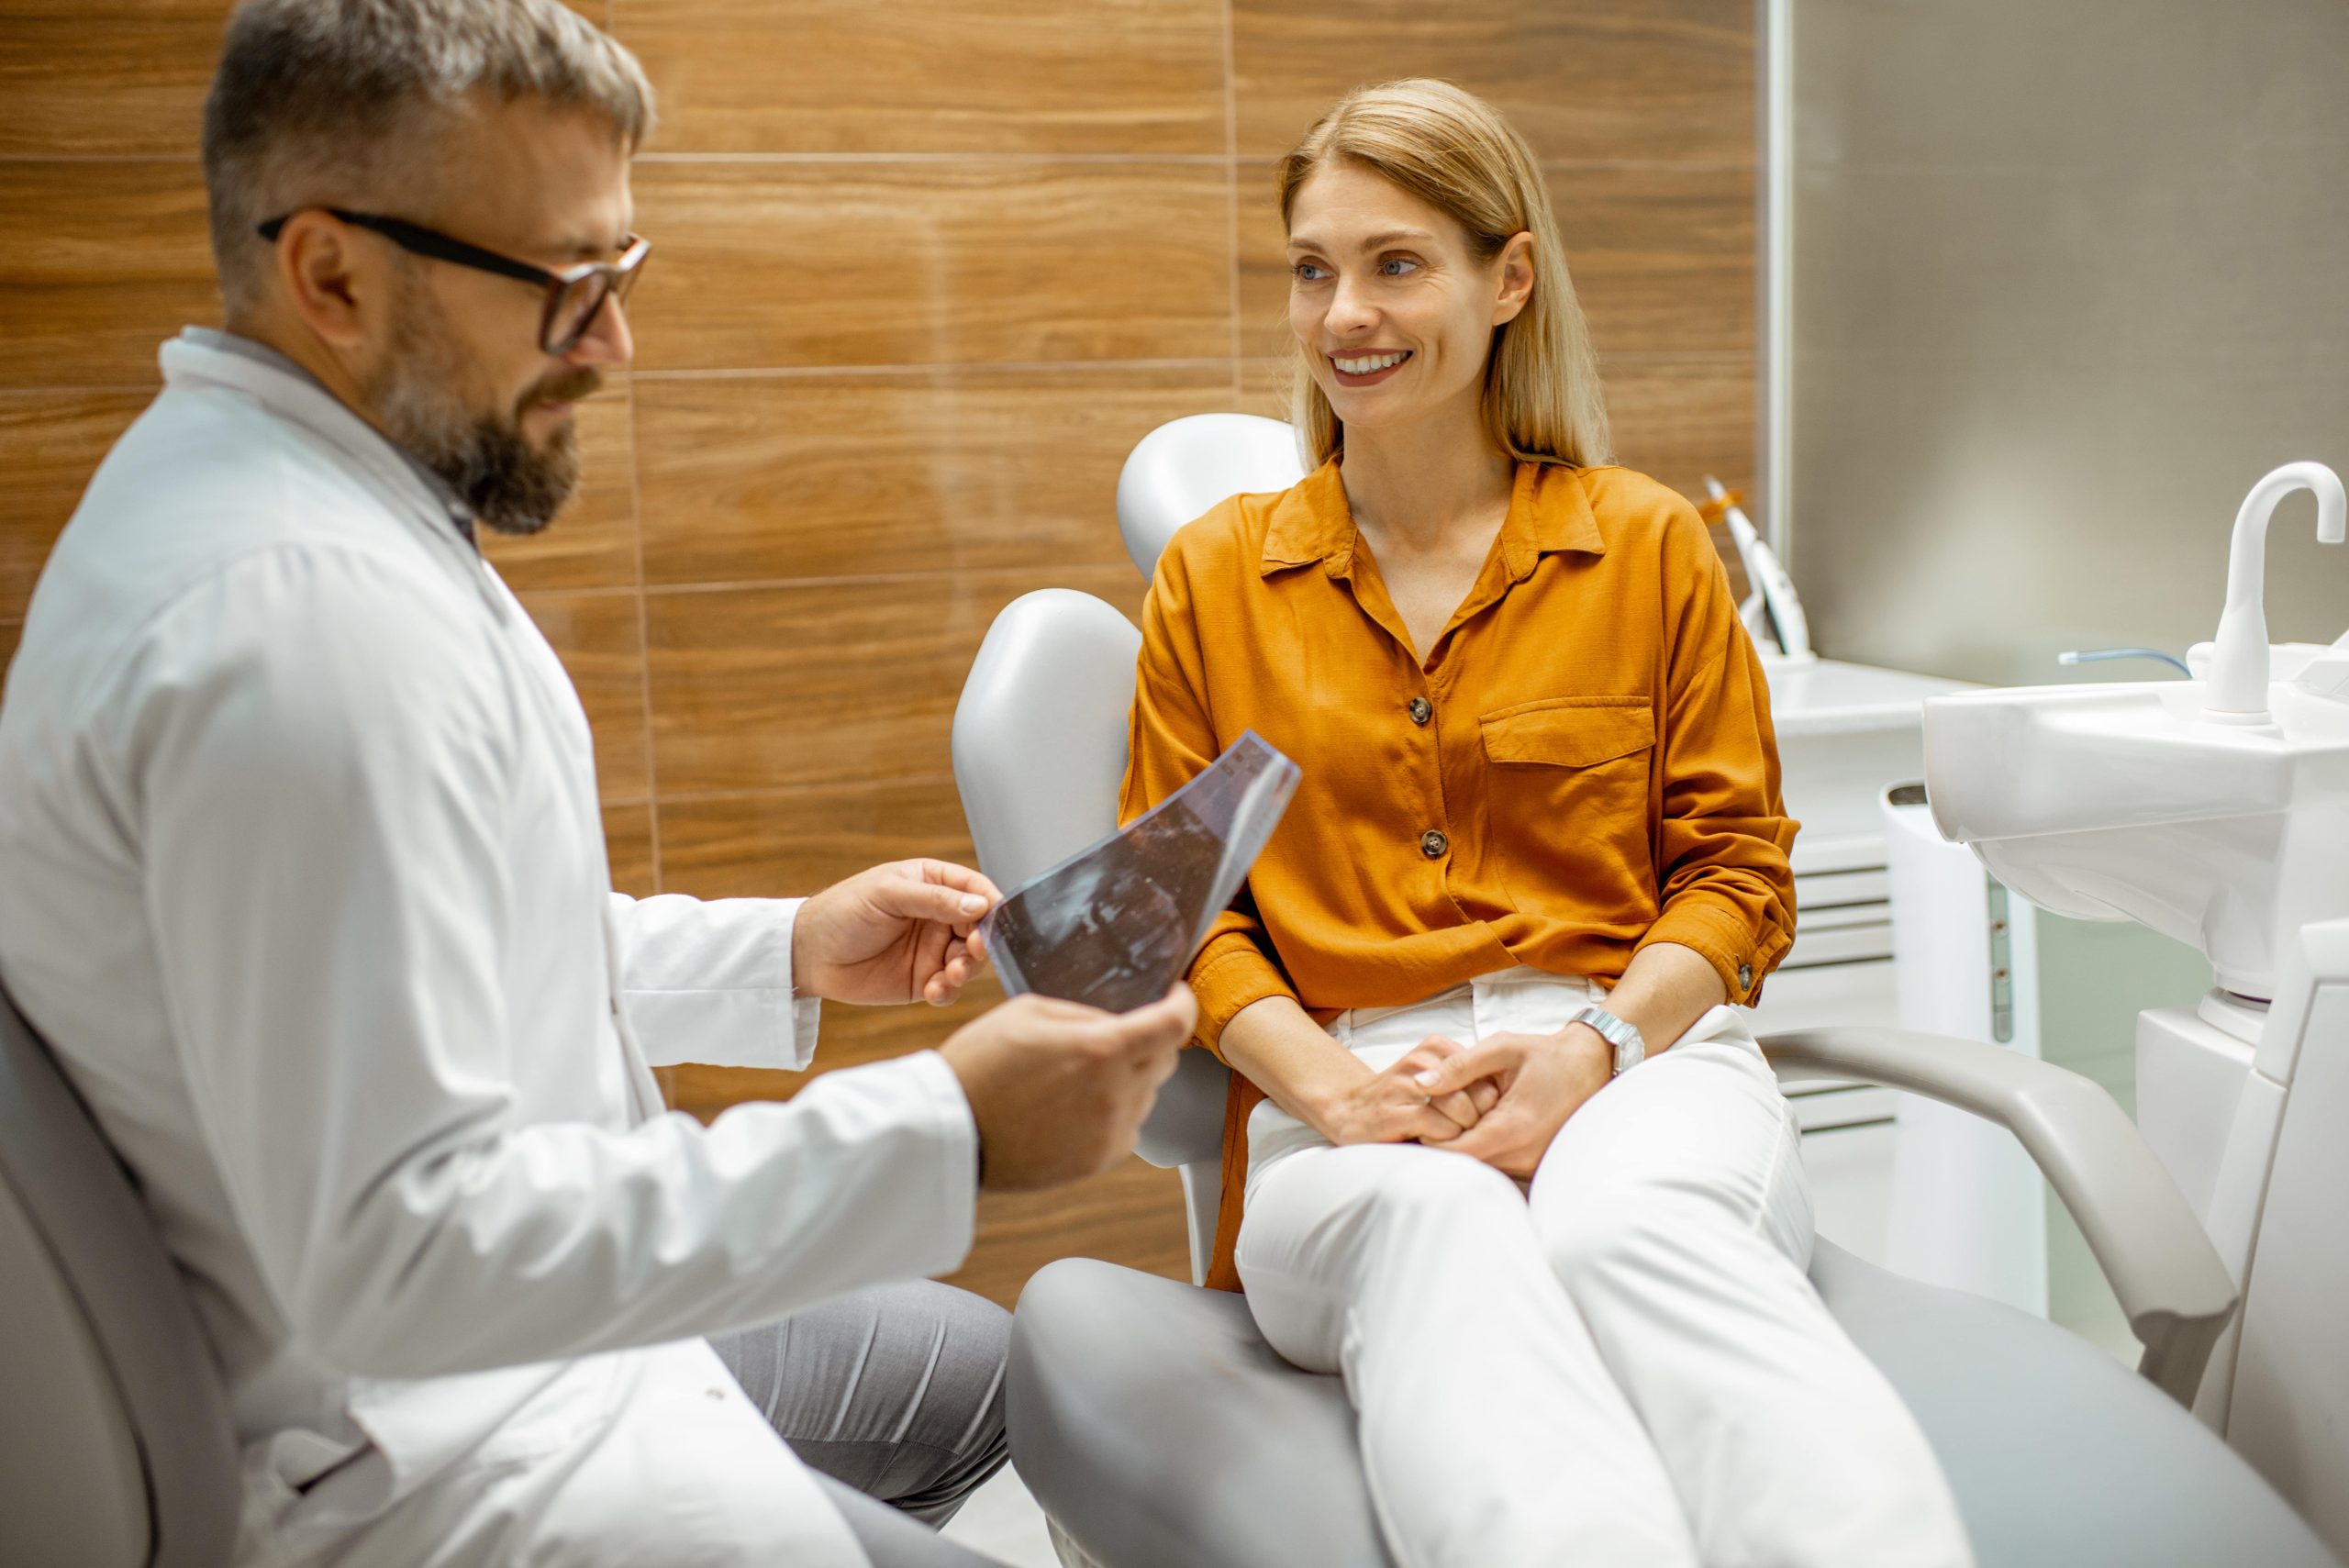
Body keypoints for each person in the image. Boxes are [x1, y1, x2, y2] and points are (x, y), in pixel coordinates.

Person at [0, 4, 1193, 1566]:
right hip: (432, 1452)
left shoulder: (294, 501)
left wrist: (778, 951)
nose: (616, 343)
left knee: (983, 1370)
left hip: (492, 1354)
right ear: (332, 275)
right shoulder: (296, 624)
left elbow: (441, 938)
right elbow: (405, 1255)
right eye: (568, 284)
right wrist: (946, 1134)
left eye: (619, 276)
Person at [1122, 79, 1975, 1566]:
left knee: (1624, 1229)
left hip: (1630, 1054)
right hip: (1347, 1109)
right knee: (1438, 1231)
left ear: (1507, 279)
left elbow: (1735, 873)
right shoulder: (1215, 577)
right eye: (1315, 269)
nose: (1345, 316)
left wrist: (1594, 1049)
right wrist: (1339, 1093)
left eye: (1398, 263)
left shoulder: (1640, 544)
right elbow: (1182, 920)